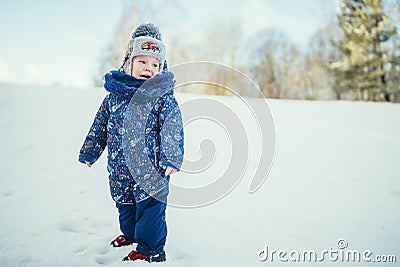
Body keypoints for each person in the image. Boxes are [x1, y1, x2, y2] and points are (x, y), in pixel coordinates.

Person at [78, 23, 184, 262]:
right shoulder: (114, 96)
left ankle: (151, 249)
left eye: (155, 64)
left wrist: (172, 157)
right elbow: (100, 125)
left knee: (149, 209)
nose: (149, 69)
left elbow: (172, 128)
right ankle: (130, 234)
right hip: (119, 168)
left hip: (151, 169)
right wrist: (90, 151)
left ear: (162, 67)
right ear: (128, 63)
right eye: (142, 62)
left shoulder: (161, 98)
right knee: (124, 205)